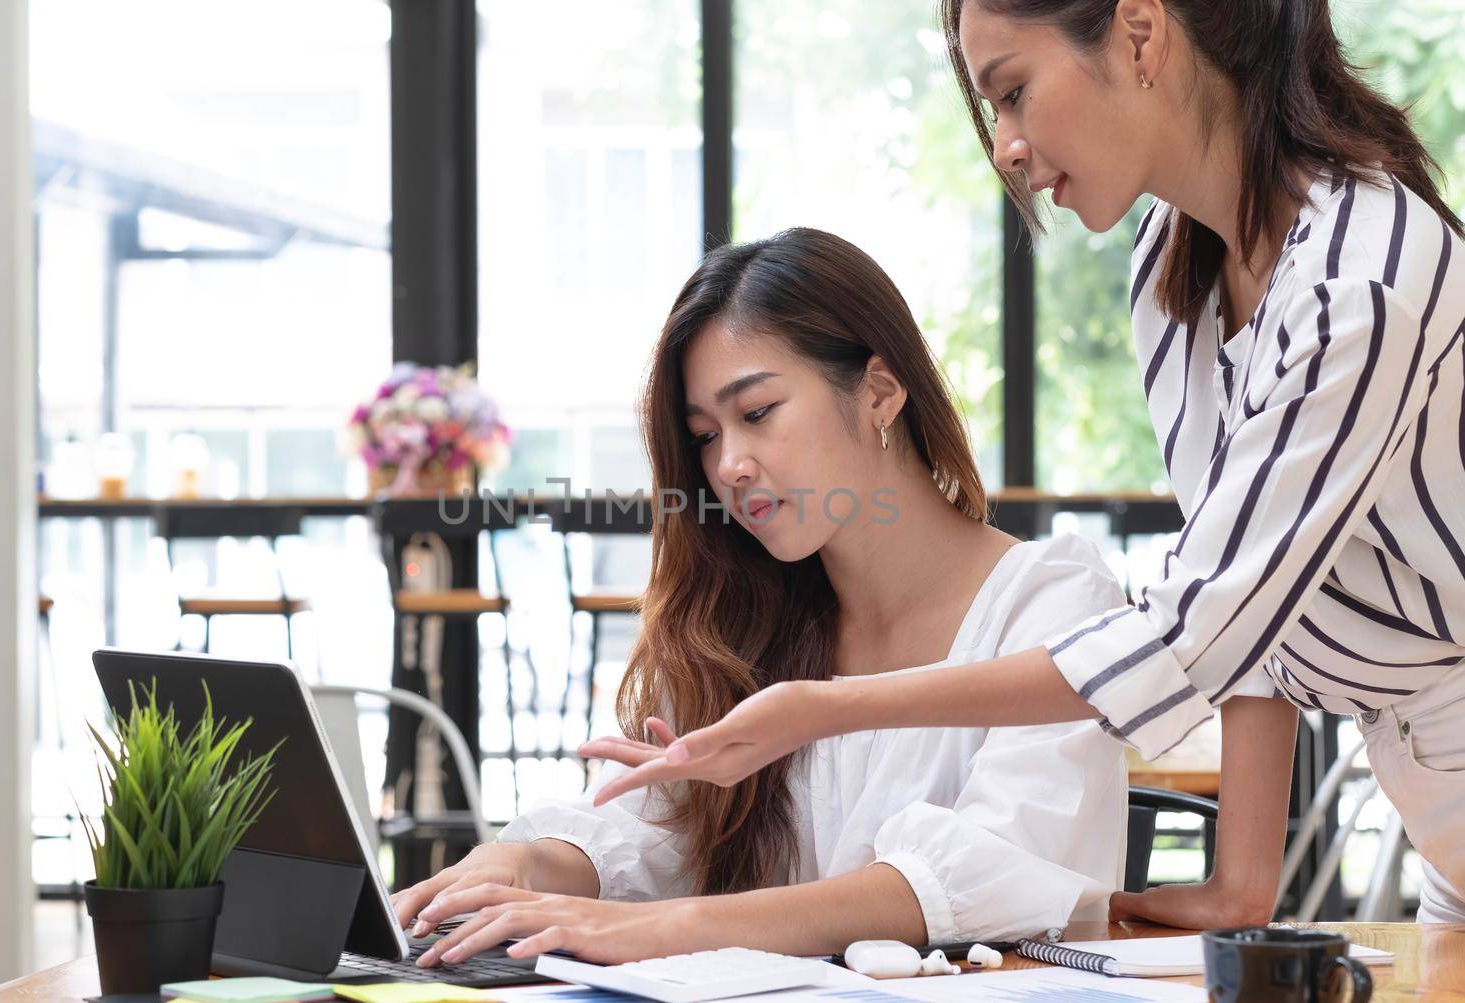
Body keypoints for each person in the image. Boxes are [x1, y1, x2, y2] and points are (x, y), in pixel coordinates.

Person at [589, 0, 1465, 929]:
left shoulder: (1358, 281)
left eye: (1013, 92)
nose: (1004, 146)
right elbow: (1246, 584)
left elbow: (1190, 632)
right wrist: (1240, 879)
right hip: (1432, 806)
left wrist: (823, 708)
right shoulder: (1174, 255)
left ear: (1138, 31)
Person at [388, 227, 1130, 967]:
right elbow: (652, 828)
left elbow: (972, 878)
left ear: (879, 390)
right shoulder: (743, 622)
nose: (729, 465)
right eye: (705, 435)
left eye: (757, 412)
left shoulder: (1053, 605)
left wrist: (669, 928)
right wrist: (525, 865)